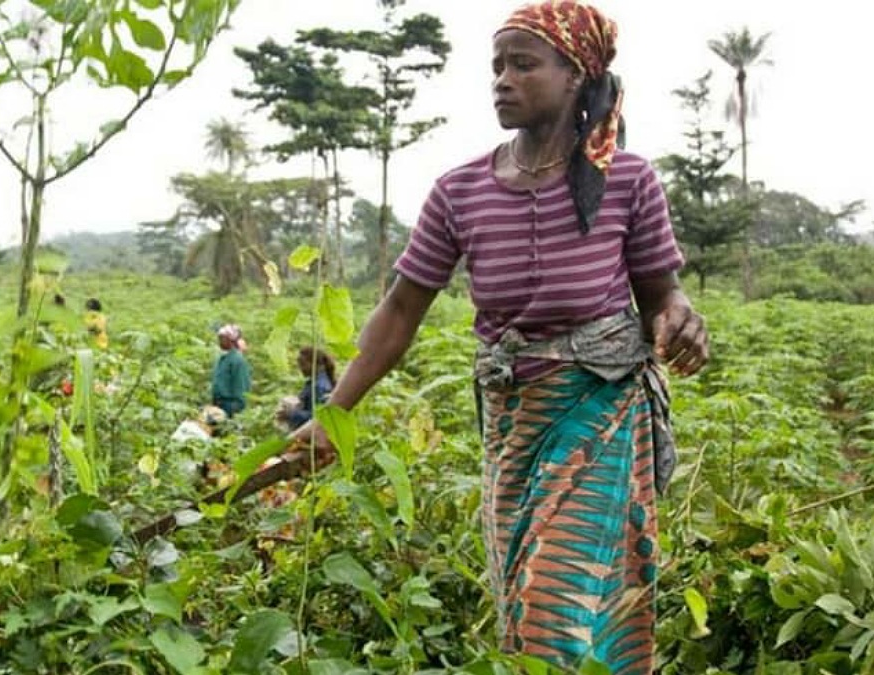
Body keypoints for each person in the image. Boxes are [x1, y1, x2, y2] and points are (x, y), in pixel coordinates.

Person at [286, 3, 709, 673]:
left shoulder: (628, 179)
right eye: (496, 66)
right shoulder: (460, 191)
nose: (502, 80)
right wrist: (334, 411)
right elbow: (399, 310)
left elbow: (663, 295)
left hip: (599, 408)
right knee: (521, 595)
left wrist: (678, 319)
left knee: (554, 597)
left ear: (577, 75)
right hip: (513, 415)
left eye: (523, 64)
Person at [277, 347, 336, 431]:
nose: (301, 369)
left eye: (303, 364)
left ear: (317, 364)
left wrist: (291, 414)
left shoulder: (319, 386)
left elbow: (319, 417)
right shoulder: (313, 383)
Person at [211, 324, 252, 417]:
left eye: (223, 338)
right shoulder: (222, 358)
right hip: (218, 405)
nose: (220, 341)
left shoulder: (237, 360)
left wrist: (233, 410)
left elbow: (241, 389)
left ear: (231, 340)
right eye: (219, 338)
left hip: (230, 407)